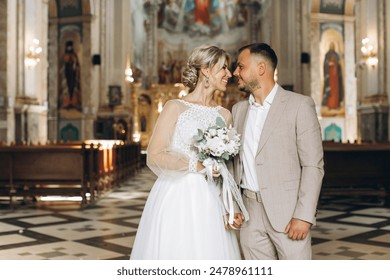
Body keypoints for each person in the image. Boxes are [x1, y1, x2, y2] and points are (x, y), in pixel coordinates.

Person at [130, 45, 243, 260]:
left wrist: (231, 205)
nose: (229, 74)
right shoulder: (175, 107)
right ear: (206, 70)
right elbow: (154, 155)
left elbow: (227, 169)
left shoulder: (225, 114)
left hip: (212, 198)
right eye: (224, 68)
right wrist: (197, 166)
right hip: (177, 193)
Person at [232, 43, 324, 260]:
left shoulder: (299, 105)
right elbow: (234, 164)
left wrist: (304, 215)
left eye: (241, 66)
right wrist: (234, 204)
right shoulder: (238, 110)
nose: (235, 72)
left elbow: (313, 165)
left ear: (261, 68)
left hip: (288, 212)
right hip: (249, 213)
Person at [322, 42, 344, 109]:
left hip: (336, 77)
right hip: (329, 77)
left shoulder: (336, 55)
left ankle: (336, 105)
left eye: (332, 46)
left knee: (336, 91)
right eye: (330, 46)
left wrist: (335, 64)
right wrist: (329, 64)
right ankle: (330, 105)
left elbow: (339, 64)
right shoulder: (327, 55)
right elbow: (325, 64)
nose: (332, 47)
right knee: (330, 90)